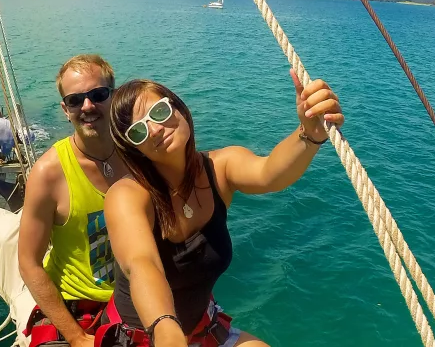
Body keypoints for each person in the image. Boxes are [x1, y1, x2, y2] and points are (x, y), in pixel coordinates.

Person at [101, 71, 345, 347]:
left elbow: (269, 173)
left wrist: (310, 135)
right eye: (138, 131)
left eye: (158, 112)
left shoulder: (220, 168)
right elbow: (141, 264)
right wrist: (165, 328)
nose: (155, 129)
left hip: (204, 327)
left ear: (177, 107)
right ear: (136, 150)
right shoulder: (126, 195)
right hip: (141, 338)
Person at [18, 55, 130, 347]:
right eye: (75, 100)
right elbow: (29, 262)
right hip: (77, 307)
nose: (88, 106)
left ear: (114, 97)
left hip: (135, 300)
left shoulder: (138, 155)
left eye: (98, 95)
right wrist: (77, 338)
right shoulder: (49, 174)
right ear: (65, 110)